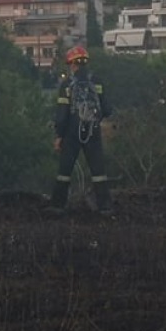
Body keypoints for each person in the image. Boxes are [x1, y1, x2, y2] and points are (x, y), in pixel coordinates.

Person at [49, 45, 114, 215]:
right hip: (92, 130)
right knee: (98, 171)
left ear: (72, 64)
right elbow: (107, 109)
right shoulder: (97, 81)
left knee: (65, 171)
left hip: (72, 132)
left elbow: (62, 114)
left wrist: (59, 136)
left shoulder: (67, 85)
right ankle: (105, 206)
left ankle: (57, 206)